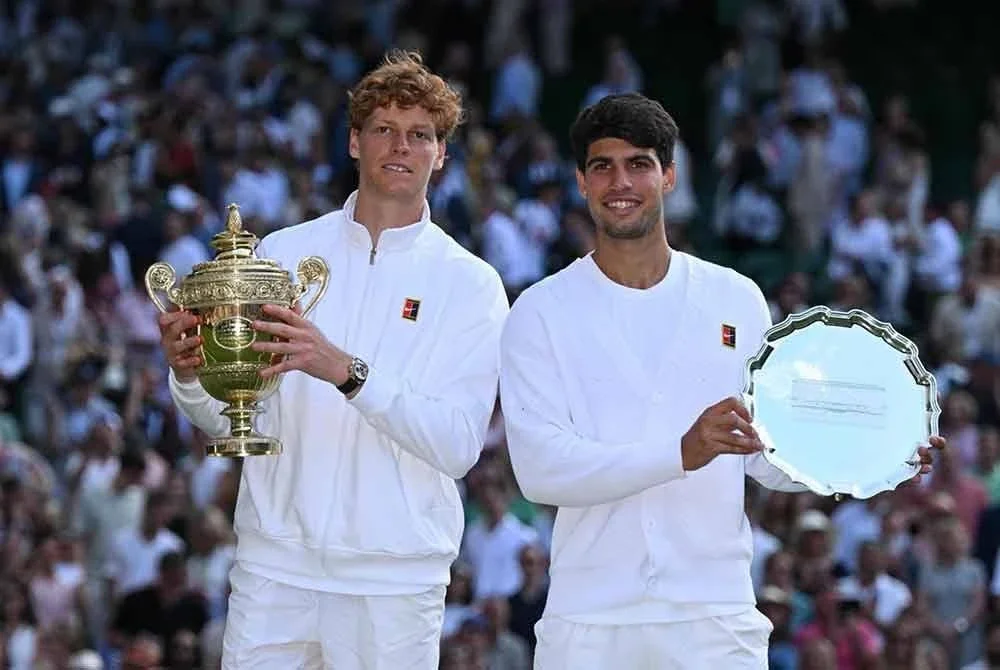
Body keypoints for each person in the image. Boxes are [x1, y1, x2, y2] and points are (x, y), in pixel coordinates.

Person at [498, 92, 942, 669]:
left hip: (715, 615)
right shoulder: (539, 310)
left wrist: (869, 456)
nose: (620, 182)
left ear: (670, 176)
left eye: (639, 164)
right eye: (602, 166)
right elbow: (540, 471)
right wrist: (680, 452)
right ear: (581, 182)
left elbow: (763, 454)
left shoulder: (735, 297)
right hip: (589, 619)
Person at [158, 50, 509, 669]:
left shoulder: (472, 284)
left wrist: (347, 372)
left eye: (419, 134)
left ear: (441, 155)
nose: (400, 146)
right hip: (273, 571)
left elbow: (457, 446)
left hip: (394, 585)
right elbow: (236, 419)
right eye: (384, 129)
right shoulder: (281, 253)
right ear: (354, 141)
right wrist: (190, 376)